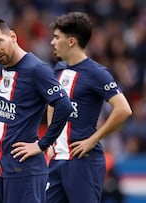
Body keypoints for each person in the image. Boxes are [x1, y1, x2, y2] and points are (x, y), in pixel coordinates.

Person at [0, 17, 73, 203]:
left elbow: (64, 105)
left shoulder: (36, 69)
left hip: (24, 174)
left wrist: (42, 144)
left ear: (13, 36)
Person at [46, 12, 132, 203]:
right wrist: (50, 138)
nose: (52, 42)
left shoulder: (96, 73)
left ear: (71, 41)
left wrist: (93, 139)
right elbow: (52, 102)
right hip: (58, 159)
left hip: (82, 160)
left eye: (57, 37)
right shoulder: (58, 69)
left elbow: (123, 109)